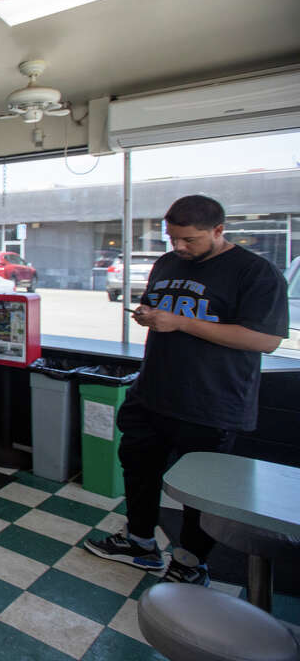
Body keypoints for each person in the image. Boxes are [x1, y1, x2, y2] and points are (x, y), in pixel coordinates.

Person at [84, 195, 288, 585]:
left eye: (188, 240)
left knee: (200, 492)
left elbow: (265, 340)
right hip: (153, 393)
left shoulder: (254, 272)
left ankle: (191, 563)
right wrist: (149, 316)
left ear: (218, 231)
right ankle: (140, 543)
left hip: (212, 402)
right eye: (173, 238)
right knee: (139, 470)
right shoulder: (168, 262)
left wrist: (180, 322)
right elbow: (158, 307)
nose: (179, 247)